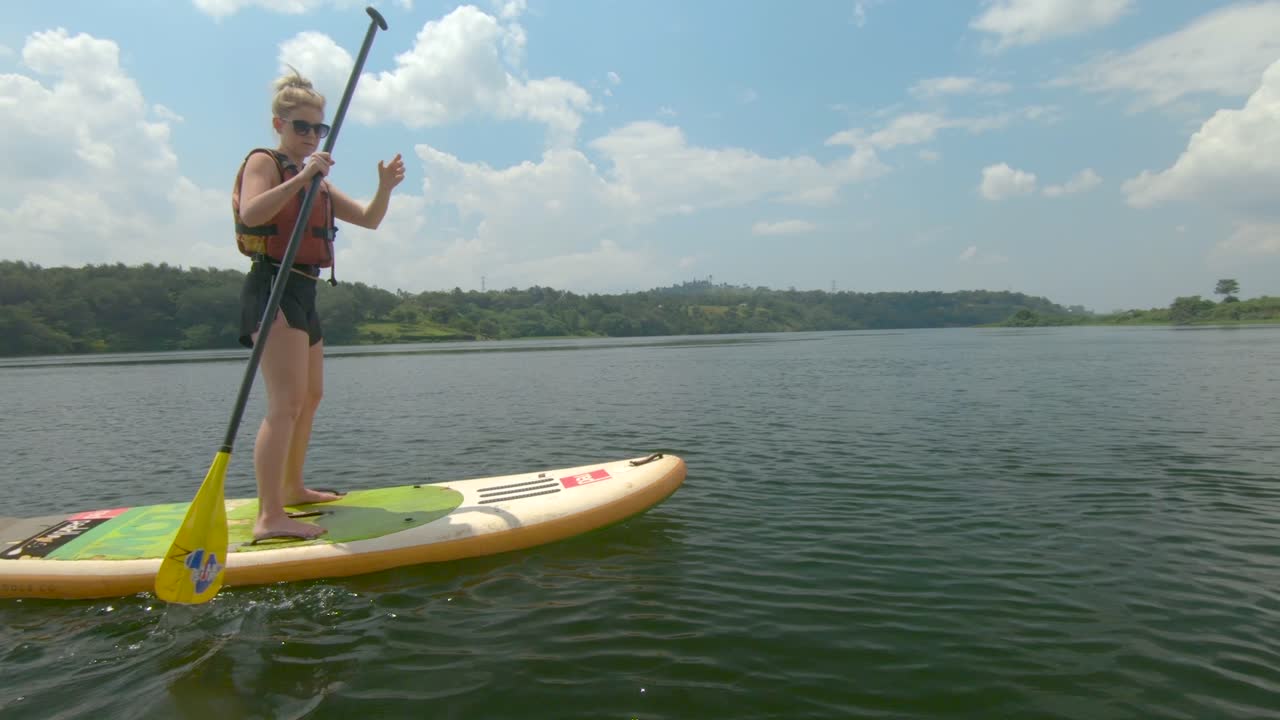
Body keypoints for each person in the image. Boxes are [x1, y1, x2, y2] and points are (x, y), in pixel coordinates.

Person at [232, 67, 405, 543]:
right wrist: (304, 176)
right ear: (279, 126)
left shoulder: (321, 184)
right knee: (284, 402)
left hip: (305, 291)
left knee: (310, 397)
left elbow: (369, 220)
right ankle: (270, 516)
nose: (310, 135)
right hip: (272, 285)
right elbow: (252, 212)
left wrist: (385, 188)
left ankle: (292, 487)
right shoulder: (264, 161)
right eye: (300, 126)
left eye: (318, 128)